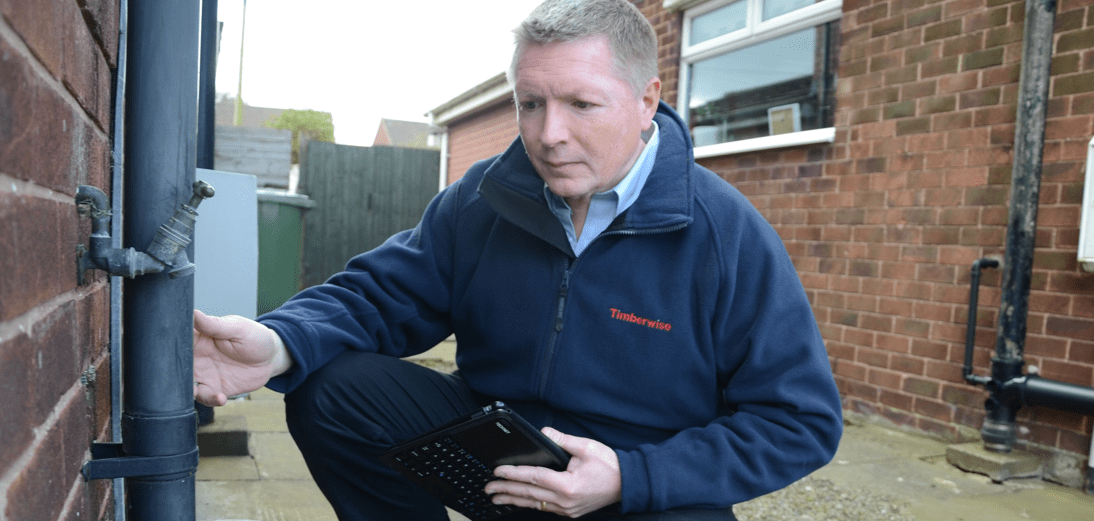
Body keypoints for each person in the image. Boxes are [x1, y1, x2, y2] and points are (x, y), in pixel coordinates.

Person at [192, 0, 842, 519]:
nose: (548, 134)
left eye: (581, 104)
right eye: (531, 103)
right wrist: (279, 340)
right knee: (331, 389)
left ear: (645, 102)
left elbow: (800, 421)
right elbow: (378, 296)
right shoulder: (484, 197)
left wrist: (634, 476)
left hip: (637, 486)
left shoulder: (725, 233)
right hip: (497, 454)